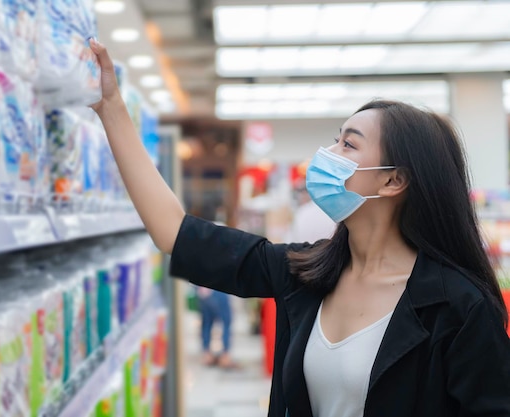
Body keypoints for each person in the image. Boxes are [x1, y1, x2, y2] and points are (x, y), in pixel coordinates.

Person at [87, 39, 510, 417]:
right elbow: (174, 234)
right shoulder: (305, 272)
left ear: (393, 180)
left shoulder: (460, 307)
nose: (327, 154)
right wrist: (111, 108)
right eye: (335, 139)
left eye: (348, 144)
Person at [194, 285, 238, 369]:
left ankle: (207, 354)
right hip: (218, 287)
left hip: (203, 290)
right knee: (226, 321)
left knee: (207, 322)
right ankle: (225, 356)